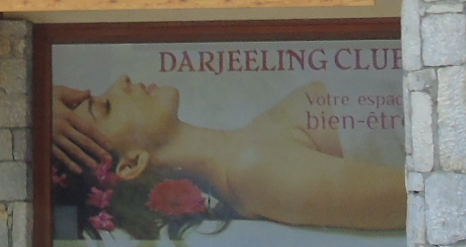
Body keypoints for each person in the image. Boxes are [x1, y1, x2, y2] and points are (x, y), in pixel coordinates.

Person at [50, 75, 406, 231]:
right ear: (131, 163)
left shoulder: (252, 148)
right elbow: (421, 203)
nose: (122, 80)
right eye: (107, 106)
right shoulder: (256, 172)